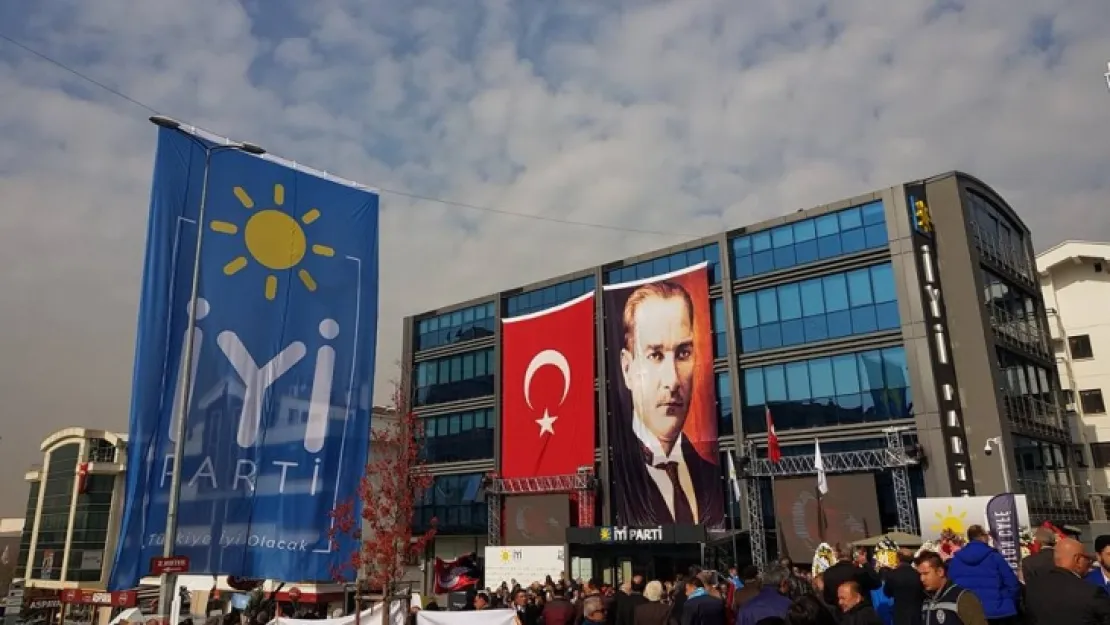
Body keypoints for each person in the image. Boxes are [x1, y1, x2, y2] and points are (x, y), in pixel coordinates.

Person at [611, 280, 725, 527]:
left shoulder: (710, 473)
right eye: (655, 355)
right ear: (627, 368)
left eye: (683, 353)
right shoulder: (613, 471)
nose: (672, 381)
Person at [945, 525, 1020, 624]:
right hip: (998, 612)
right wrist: (1008, 601)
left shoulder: (956, 560)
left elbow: (951, 586)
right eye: (986, 534)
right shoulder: (995, 557)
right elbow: (1012, 583)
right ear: (983, 537)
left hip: (968, 612)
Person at [1025, 537, 1110, 624]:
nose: (1089, 563)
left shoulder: (1033, 587)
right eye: (1087, 559)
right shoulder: (1090, 592)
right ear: (1078, 560)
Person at [915, 551, 988, 625]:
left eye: (926, 573)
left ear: (940, 572)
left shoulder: (962, 597)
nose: (922, 579)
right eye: (920, 574)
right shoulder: (925, 600)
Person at [882, 548, 925, 625]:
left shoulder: (892, 575)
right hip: (917, 614)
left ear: (898, 559)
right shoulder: (919, 575)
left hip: (900, 615)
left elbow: (887, 592)